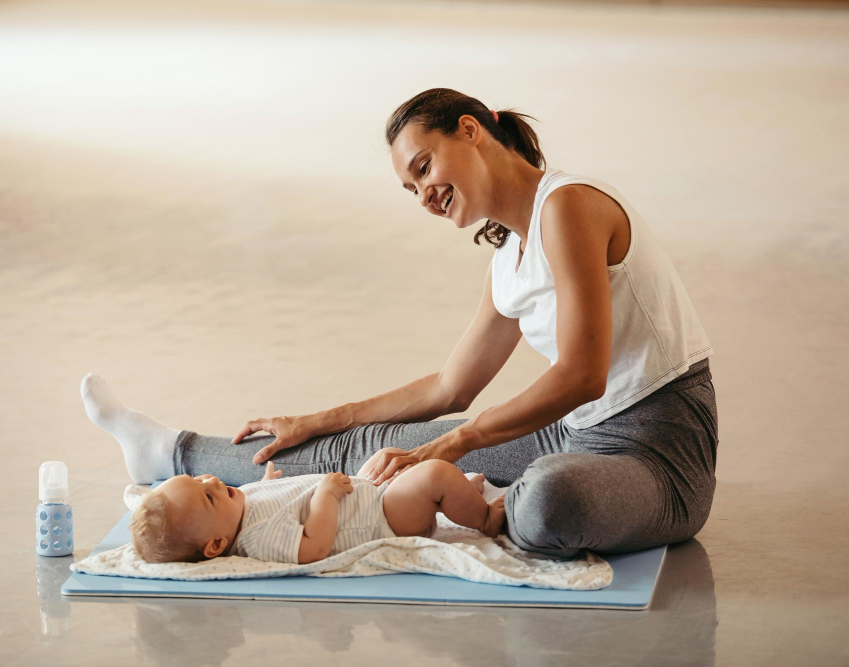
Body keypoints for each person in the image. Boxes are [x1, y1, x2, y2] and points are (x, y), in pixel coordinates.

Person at [81, 87, 718, 560]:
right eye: (410, 190)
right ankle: (169, 453)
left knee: (551, 501)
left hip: (659, 451)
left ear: (470, 130)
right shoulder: (510, 257)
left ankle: (515, 504)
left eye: (423, 167)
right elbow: (450, 388)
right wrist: (321, 419)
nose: (424, 195)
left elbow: (583, 374)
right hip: (574, 435)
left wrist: (456, 445)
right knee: (374, 453)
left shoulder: (569, 205)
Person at [120, 439, 504, 564]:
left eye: (201, 477)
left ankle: (454, 496)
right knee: (434, 474)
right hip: (381, 519)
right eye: (206, 494)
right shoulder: (256, 537)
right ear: (216, 544)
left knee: (385, 455)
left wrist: (264, 484)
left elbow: (271, 500)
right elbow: (313, 548)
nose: (213, 480)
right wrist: (325, 495)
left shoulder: (234, 509)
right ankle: (483, 517)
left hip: (363, 493)